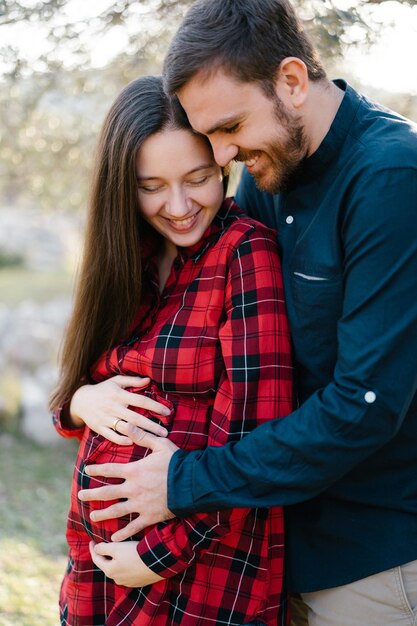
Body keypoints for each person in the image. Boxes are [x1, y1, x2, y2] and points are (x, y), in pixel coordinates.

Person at [77, 1, 417, 625]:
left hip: (370, 559)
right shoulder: (269, 170)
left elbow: (364, 405)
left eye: (230, 127)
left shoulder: (392, 177)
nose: (224, 155)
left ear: (291, 81)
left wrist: (181, 483)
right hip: (265, 548)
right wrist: (82, 398)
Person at [50, 74, 294, 625]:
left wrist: (156, 555)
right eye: (152, 185)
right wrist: (81, 401)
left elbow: (258, 444)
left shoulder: (243, 254)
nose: (180, 206)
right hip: (99, 574)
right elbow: (69, 393)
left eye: (198, 178)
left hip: (198, 573)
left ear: (223, 165)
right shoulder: (124, 258)